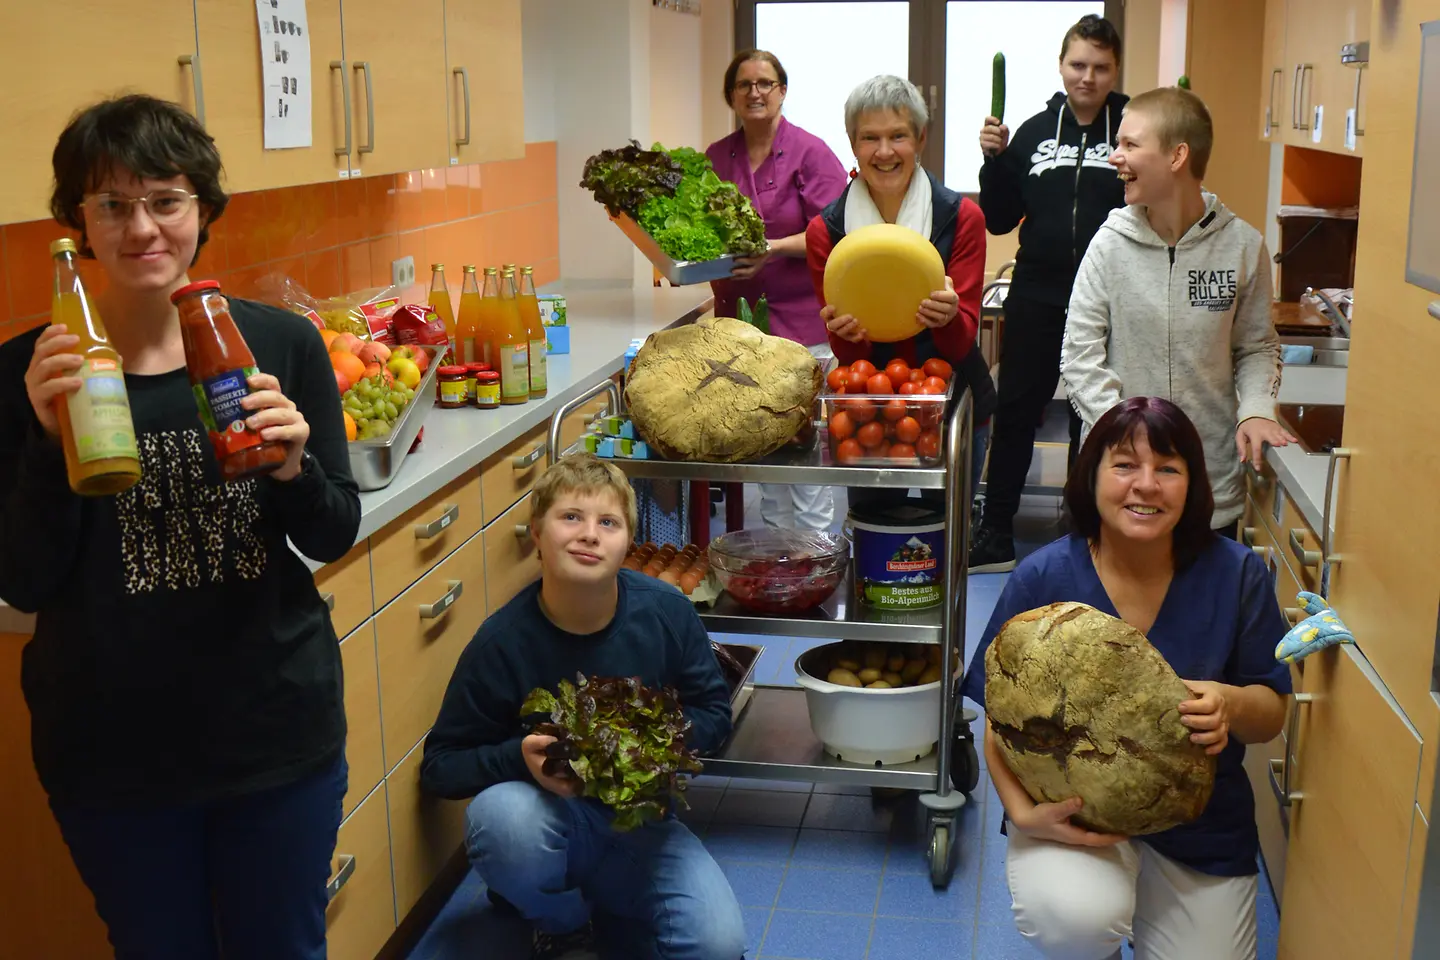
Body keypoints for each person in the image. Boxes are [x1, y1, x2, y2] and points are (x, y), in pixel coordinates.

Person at [0, 95, 360, 959]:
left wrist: (290, 467)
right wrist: (50, 444)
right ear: (77, 224)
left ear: (202, 208)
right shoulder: (28, 373)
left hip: (275, 735)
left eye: (165, 199)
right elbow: (23, 581)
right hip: (112, 753)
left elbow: (335, 529)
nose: (141, 228)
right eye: (112, 206)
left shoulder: (278, 346)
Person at [961, 396, 1292, 960]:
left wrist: (1231, 705)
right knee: (1073, 920)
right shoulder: (1045, 575)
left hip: (1200, 825)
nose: (1146, 485)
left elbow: (1271, 711)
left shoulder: (1236, 575)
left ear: (1194, 484)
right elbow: (1002, 720)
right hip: (1076, 817)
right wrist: (1021, 813)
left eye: (1167, 468)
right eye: (1124, 466)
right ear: (1090, 477)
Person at [419, 454, 744, 960]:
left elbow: (714, 714)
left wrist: (655, 744)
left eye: (608, 522)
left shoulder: (667, 612)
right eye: (571, 517)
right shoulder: (502, 642)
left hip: (641, 827)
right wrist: (518, 759)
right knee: (502, 819)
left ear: (627, 545)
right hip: (544, 822)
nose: (589, 534)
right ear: (536, 535)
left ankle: (599, 894)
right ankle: (559, 920)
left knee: (718, 947)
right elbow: (441, 766)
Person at [1061, 86, 1294, 539]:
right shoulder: (1108, 246)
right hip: (1121, 484)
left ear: (1176, 156)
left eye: (1130, 144)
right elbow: (1079, 355)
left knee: (1199, 608)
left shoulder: (1243, 247)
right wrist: (1125, 437)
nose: (1115, 157)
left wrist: (1258, 408)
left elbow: (1256, 346)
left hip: (1209, 485)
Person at [971, 13, 1129, 573]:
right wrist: (993, 160)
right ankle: (994, 534)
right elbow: (996, 219)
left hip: (1110, 296)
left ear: (1115, 70)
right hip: (1036, 291)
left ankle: (1084, 530)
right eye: (1078, 64)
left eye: (1100, 67)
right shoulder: (1036, 133)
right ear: (1062, 65)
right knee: (1017, 409)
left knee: (1096, 415)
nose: (1087, 77)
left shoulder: (1133, 129)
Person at [806, 74, 996, 502]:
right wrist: (844, 333)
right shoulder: (826, 232)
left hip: (951, 402)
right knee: (876, 541)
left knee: (947, 542)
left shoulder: (962, 218)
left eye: (899, 136)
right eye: (870, 137)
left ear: (921, 138)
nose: (885, 151)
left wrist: (947, 318)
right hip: (866, 410)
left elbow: (963, 338)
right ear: (853, 144)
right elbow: (849, 354)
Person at [707, 49, 849, 533]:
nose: (755, 92)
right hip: (739, 328)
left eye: (765, 83)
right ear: (731, 96)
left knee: (806, 451)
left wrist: (772, 248)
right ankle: (772, 562)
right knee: (763, 446)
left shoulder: (810, 152)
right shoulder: (715, 157)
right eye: (744, 85)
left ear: (782, 91)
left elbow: (834, 228)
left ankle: (814, 559)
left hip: (802, 324)